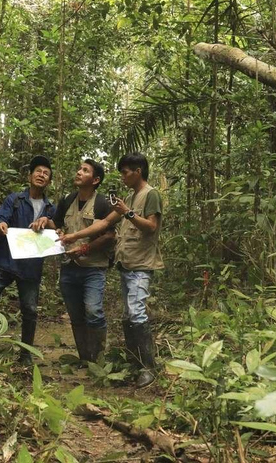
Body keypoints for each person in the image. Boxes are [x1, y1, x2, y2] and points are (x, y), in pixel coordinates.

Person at [58, 152, 163, 388]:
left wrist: (128, 212)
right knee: (129, 315)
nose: (123, 177)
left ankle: (148, 367)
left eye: (125, 172)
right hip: (127, 264)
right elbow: (104, 223)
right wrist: (75, 236)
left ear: (138, 172)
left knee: (136, 313)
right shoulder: (129, 197)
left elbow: (151, 226)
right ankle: (134, 363)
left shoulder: (150, 195)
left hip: (141, 265)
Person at [31, 159, 114, 365]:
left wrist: (85, 248)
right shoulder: (67, 200)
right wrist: (45, 221)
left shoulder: (102, 203)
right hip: (69, 267)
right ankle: (85, 359)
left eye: (85, 171)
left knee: (93, 312)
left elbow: (110, 235)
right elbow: (57, 225)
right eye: (79, 169)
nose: (79, 172)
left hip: (93, 267)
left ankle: (99, 360)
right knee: (76, 316)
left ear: (95, 180)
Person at [0, 155, 55, 364]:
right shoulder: (15, 199)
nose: (41, 175)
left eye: (46, 173)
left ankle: (25, 353)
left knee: (29, 309)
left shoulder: (50, 209)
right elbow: (2, 218)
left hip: (30, 267)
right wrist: (0, 225)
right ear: (30, 176)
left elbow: (57, 232)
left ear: (49, 181)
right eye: (38, 171)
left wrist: (49, 224)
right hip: (5, 261)